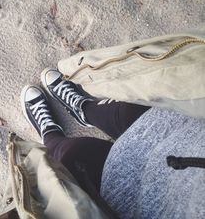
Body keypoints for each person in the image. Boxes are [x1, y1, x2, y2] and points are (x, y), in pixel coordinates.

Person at [20, 68, 205, 219]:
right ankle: (84, 110)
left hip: (127, 204)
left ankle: (50, 136)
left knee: (71, 158)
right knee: (129, 111)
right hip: (185, 134)